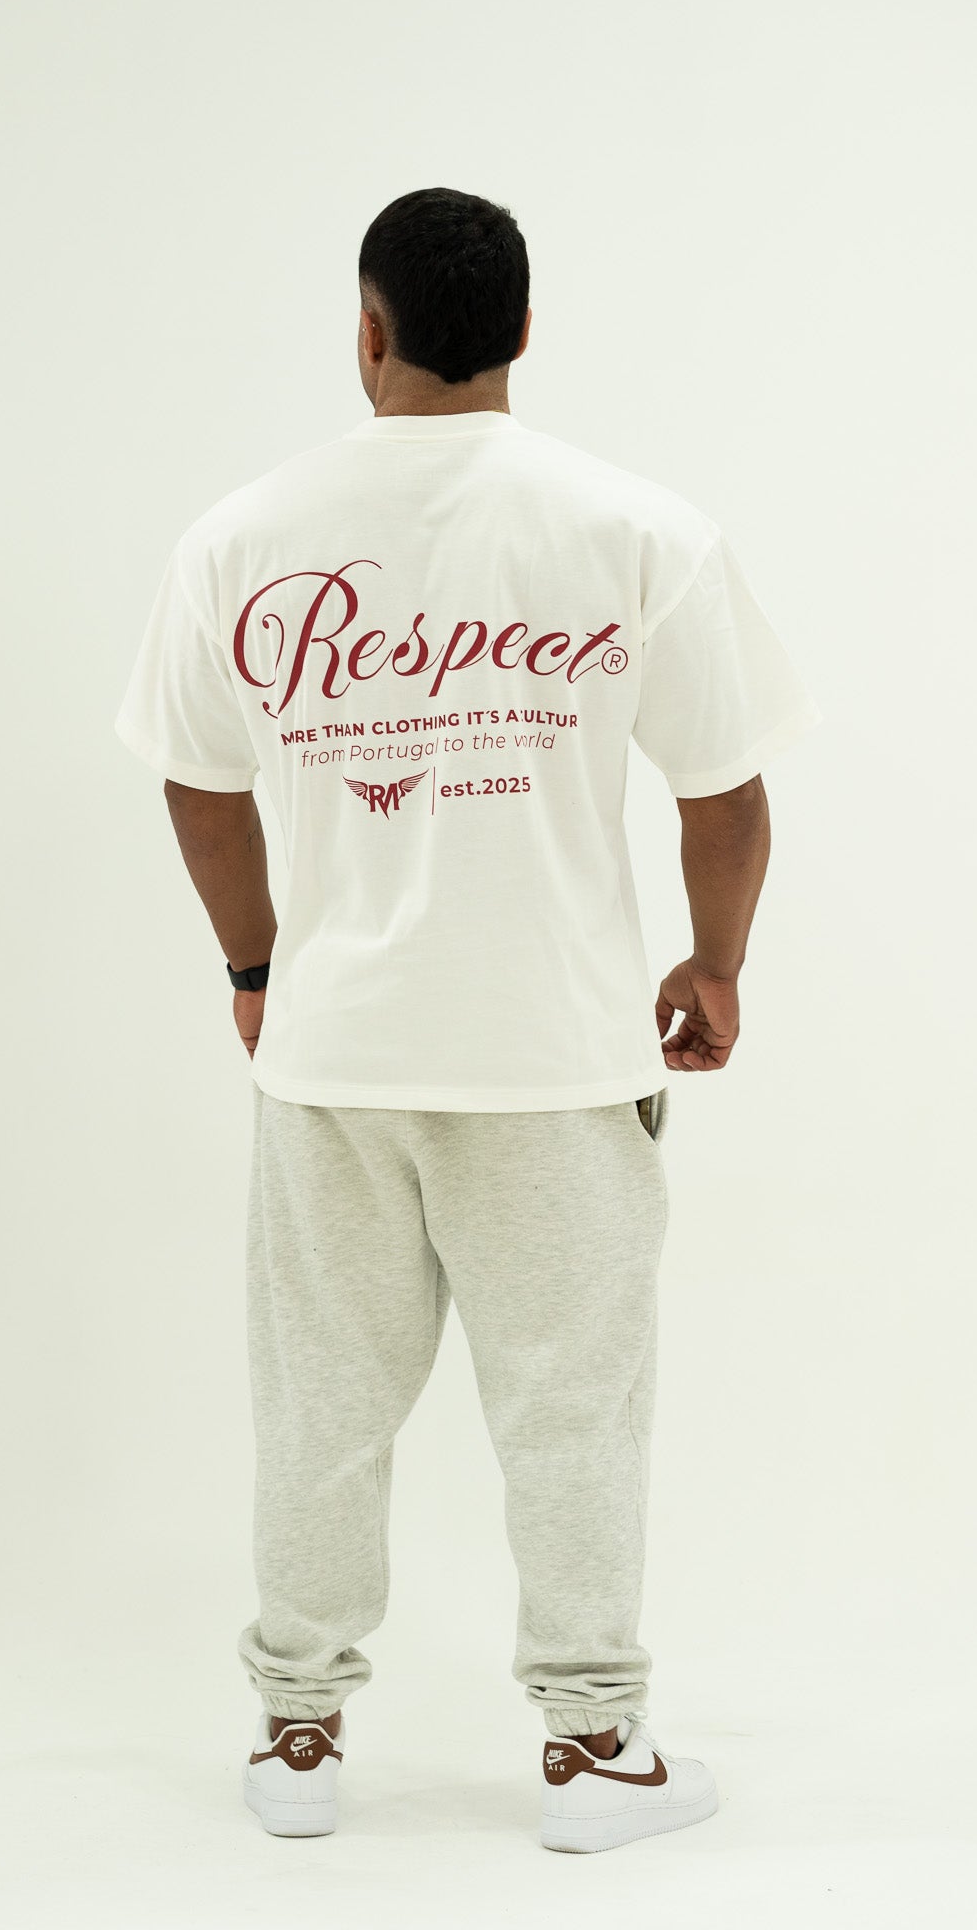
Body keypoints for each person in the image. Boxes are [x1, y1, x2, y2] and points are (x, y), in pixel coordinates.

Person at [114, 186, 820, 1854]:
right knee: (572, 1410)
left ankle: (297, 1738)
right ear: (520, 332)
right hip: (556, 1057)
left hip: (336, 1059)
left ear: (367, 332)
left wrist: (256, 970)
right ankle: (592, 1752)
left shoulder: (241, 538)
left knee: (320, 1404)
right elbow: (722, 791)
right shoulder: (634, 528)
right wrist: (715, 963)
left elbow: (198, 783)